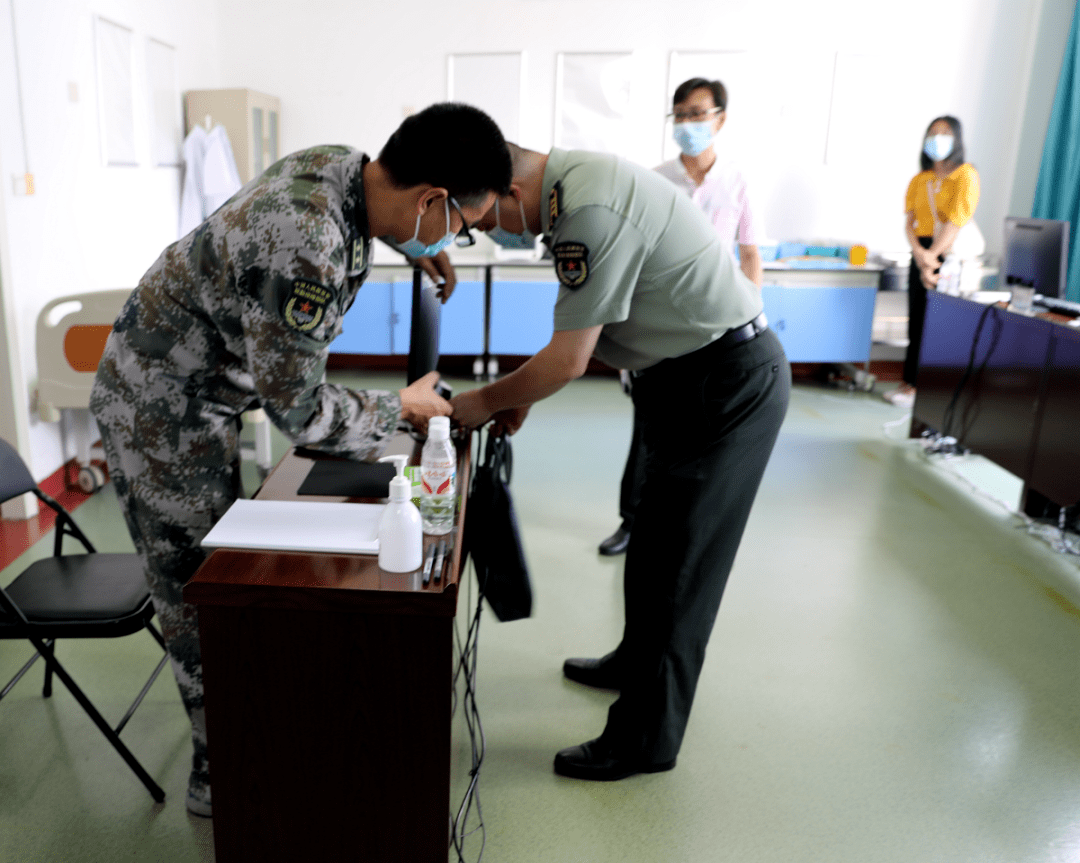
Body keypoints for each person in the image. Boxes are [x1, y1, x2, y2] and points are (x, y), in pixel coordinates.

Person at [89, 102, 512, 817]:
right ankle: (220, 773)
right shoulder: (305, 238)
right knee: (202, 588)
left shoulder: (349, 168)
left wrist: (418, 244)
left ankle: (259, 727)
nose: (457, 241)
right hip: (159, 405)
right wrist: (400, 409)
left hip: (205, 389)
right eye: (461, 229)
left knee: (231, 563)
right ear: (432, 199)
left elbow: (355, 234)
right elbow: (302, 413)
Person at [451, 143, 790, 781]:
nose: (496, 234)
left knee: (682, 570)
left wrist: (480, 403)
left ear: (510, 193)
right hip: (681, 377)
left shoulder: (588, 209)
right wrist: (519, 395)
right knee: (654, 539)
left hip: (725, 382)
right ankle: (634, 662)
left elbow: (570, 359)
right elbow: (586, 329)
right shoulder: (572, 189)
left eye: (487, 222)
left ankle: (645, 740)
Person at [599, 76, 766, 556]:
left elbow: (750, 254)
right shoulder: (655, 179)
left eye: (698, 113)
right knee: (649, 427)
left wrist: (750, 318)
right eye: (681, 116)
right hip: (660, 326)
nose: (689, 124)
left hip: (718, 325)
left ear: (720, 118)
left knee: (708, 428)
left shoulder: (738, 182)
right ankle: (631, 523)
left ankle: (687, 528)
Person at [886, 115, 980, 408]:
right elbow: (909, 223)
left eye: (945, 133)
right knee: (917, 319)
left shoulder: (966, 175)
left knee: (939, 321)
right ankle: (909, 383)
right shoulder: (921, 179)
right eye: (933, 133)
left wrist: (933, 257)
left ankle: (931, 387)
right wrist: (921, 255)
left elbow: (956, 222)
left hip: (950, 254)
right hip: (922, 250)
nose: (938, 138)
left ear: (957, 139)